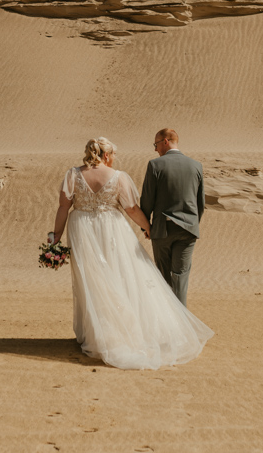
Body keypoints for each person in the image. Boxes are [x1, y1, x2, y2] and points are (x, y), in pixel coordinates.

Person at [51, 137, 212, 370]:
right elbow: (132, 208)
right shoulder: (118, 176)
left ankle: (97, 334)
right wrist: (147, 227)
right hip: (112, 229)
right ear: (107, 155)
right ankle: (117, 333)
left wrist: (55, 236)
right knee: (118, 277)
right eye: (113, 154)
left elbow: (63, 207)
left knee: (91, 281)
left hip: (82, 229)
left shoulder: (72, 175)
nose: (114, 158)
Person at [140, 128, 204, 306]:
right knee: (181, 277)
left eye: (156, 144)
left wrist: (146, 226)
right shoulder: (196, 165)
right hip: (188, 230)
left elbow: (147, 199)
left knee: (163, 277)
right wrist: (192, 224)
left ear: (165, 141)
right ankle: (181, 319)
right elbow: (200, 202)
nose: (155, 149)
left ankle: (168, 318)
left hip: (163, 229)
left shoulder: (155, 165)